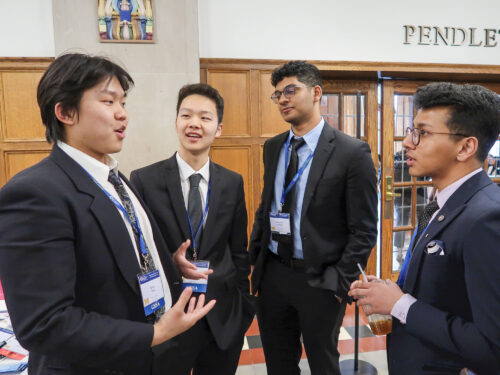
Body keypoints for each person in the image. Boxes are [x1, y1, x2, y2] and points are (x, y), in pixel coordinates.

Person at [0, 53, 215, 375]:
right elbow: (44, 323)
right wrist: (155, 333)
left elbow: (102, 257)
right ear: (65, 112)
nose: (122, 115)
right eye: (108, 101)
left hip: (150, 359)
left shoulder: (113, 177)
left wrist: (166, 262)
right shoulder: (36, 192)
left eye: (123, 103)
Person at [349, 82, 500, 374]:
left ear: (466, 146)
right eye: (410, 131)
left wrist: (400, 304)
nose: (408, 142)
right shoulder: (441, 201)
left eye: (423, 133)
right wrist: (392, 292)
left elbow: (491, 346)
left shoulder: (486, 218)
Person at [249, 60, 378, 374]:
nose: (282, 99)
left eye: (290, 90)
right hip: (274, 275)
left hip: (320, 279)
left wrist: (337, 282)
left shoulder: (351, 152)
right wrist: (253, 261)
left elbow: (364, 229)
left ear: (317, 92)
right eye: (277, 94)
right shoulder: (273, 147)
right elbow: (266, 207)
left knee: (323, 363)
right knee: (278, 363)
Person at [130, 83, 255, 375]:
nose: (194, 123)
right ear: (176, 122)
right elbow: (139, 251)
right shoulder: (144, 180)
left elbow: (238, 249)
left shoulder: (232, 182)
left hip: (221, 314)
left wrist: (242, 303)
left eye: (205, 117)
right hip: (168, 316)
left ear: (218, 128)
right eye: (186, 115)